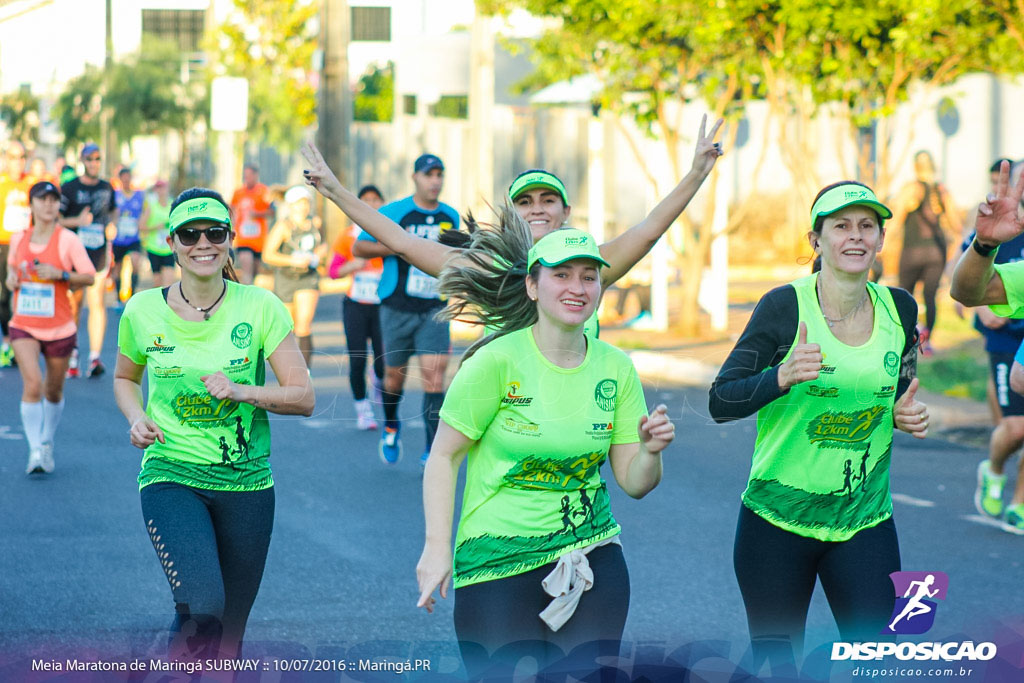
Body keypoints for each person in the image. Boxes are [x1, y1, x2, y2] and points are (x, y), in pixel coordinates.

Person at [301, 116, 722, 455]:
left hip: (576, 432)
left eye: (547, 200)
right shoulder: (491, 268)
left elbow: (648, 230)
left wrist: (697, 172)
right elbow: (404, 242)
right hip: (510, 428)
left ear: (565, 209)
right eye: (525, 202)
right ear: (512, 212)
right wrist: (335, 191)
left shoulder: (590, 266)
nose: (537, 209)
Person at [416, 219, 675, 679]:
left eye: (588, 276)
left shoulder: (615, 368)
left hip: (589, 554)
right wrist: (436, 549)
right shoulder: (495, 362)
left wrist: (650, 452)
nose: (577, 287)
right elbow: (444, 456)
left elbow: (634, 484)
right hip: (496, 562)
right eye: (562, 274)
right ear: (532, 286)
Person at [709, 180, 927, 673]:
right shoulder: (783, 306)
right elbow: (720, 400)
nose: (855, 237)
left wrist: (901, 413)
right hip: (776, 524)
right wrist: (780, 376)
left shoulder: (900, 308)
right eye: (841, 226)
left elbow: (898, 389)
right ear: (816, 240)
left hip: (865, 521)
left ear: (880, 239)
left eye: (867, 226)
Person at [113, 187, 314, 661]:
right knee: (204, 608)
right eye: (189, 234)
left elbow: (304, 396)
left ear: (230, 238)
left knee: (228, 633)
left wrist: (244, 390)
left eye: (214, 232)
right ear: (172, 241)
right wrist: (136, 415)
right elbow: (125, 377)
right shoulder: (142, 310)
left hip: (247, 483)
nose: (202, 243)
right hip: (171, 473)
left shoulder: (260, 306)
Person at [353, 153, 460, 466]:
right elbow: (359, 246)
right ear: (415, 177)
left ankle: (432, 452)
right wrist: (400, 246)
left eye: (439, 175)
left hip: (434, 309)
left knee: (434, 378)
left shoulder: (450, 216)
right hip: (397, 307)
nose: (435, 181)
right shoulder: (395, 212)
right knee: (393, 379)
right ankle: (390, 425)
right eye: (429, 175)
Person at [950, 159, 1024, 534]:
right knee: (1015, 428)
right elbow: (965, 289)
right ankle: (994, 470)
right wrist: (986, 243)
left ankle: (1019, 503)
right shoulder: (1008, 225)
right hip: (1003, 340)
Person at [6, 181, 96, 473]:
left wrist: (60, 273)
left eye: (53, 200)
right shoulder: (20, 239)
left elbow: (90, 276)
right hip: (24, 324)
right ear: (31, 204)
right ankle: (34, 451)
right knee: (32, 383)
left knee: (53, 390)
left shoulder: (68, 240)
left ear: (59, 205)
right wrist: (11, 279)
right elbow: (12, 267)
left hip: (59, 327)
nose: (48, 205)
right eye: (42, 199)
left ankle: (46, 441)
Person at [890, 150, 962, 356]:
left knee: (905, 295)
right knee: (930, 297)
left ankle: (904, 340)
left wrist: (883, 244)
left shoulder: (911, 189)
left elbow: (897, 219)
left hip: (913, 251)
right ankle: (927, 342)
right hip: (936, 252)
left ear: (915, 166)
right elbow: (956, 224)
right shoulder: (941, 190)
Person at [328, 184, 386, 430]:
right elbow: (332, 271)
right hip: (355, 305)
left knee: (385, 360)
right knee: (357, 359)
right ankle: (363, 409)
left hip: (383, 305)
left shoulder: (389, 232)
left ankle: (378, 378)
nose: (371, 204)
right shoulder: (348, 235)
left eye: (376, 199)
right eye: (366, 200)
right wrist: (354, 265)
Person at [59, 143, 119, 378]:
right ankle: (72, 352)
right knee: (74, 304)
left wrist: (112, 224)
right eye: (90, 159)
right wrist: (78, 221)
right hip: (75, 253)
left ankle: (95, 357)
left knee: (97, 303)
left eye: (97, 159)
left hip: (99, 252)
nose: (94, 163)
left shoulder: (107, 187)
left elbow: (113, 210)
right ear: (82, 161)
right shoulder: (70, 188)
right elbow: (58, 220)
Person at [261, 185, 325, 369]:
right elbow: (268, 255)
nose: (303, 207)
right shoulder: (284, 226)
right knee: (288, 328)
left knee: (303, 325)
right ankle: (289, 372)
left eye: (306, 203)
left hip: (308, 278)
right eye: (299, 203)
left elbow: (323, 246)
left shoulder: (316, 223)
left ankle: (304, 374)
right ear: (291, 205)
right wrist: (293, 261)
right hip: (286, 279)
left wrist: (319, 256)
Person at [0, 141, 33, 367]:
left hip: (26, 247)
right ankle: (6, 342)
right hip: (3, 245)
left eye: (21, 157)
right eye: (13, 157)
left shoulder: (32, 183)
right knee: (3, 295)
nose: (17, 161)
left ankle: (22, 345)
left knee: (24, 296)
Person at [230, 164, 273, 286]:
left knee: (254, 271)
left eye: (249, 176)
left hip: (258, 239)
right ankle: (246, 294)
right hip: (243, 238)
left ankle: (249, 288)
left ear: (255, 176)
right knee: (246, 267)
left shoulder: (264, 191)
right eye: (245, 176)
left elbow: (272, 212)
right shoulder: (238, 193)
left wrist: (257, 214)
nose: (246, 179)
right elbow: (231, 209)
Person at [111, 166, 146, 302]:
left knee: (135, 262)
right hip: (118, 239)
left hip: (134, 237)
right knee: (117, 268)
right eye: (123, 179)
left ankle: (132, 295)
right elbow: (110, 212)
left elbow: (146, 210)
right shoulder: (115, 196)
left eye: (128, 178)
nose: (126, 181)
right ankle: (118, 298)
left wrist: (142, 222)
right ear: (119, 180)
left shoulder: (139, 195)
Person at [139, 179, 176, 288]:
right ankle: (159, 304)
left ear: (167, 189)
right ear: (156, 190)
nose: (161, 191)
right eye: (158, 188)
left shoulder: (173, 205)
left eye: (163, 187)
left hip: (169, 248)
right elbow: (141, 226)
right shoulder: (151, 206)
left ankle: (167, 304)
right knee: (158, 285)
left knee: (168, 283)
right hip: (154, 248)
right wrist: (155, 227)